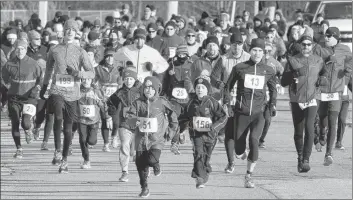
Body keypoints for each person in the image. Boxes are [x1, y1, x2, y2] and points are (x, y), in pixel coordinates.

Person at [40, 19, 95, 173]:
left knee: (68, 128)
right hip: (57, 90)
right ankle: (57, 150)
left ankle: (64, 159)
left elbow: (92, 72)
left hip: (73, 93)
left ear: (76, 33)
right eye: (67, 29)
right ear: (63, 32)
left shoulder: (80, 51)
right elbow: (49, 71)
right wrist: (44, 87)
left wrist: (78, 73)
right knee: (58, 118)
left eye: (73, 29)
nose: (70, 31)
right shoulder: (55, 50)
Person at [224, 38, 277, 187]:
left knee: (254, 141)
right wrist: (227, 104)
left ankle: (249, 176)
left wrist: (272, 105)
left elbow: (273, 90)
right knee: (239, 150)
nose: (258, 53)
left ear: (264, 52)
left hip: (259, 113)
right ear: (250, 51)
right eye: (255, 50)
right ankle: (242, 154)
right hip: (241, 112)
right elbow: (227, 87)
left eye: (261, 51)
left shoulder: (268, 70)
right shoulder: (240, 68)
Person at [281, 34, 327, 173]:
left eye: (308, 44)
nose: (306, 46)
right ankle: (300, 158)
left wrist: (322, 79)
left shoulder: (318, 60)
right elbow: (283, 82)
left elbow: (324, 73)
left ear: (312, 45)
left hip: (313, 98)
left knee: (309, 127)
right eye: (304, 44)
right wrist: (293, 74)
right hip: (296, 99)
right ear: (300, 46)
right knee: (298, 131)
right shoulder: (292, 60)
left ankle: (306, 159)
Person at [126, 76, 178, 198]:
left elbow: (173, 117)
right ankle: (144, 187)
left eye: (151, 87)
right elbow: (129, 117)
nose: (148, 90)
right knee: (140, 164)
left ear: (156, 89)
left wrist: (170, 132)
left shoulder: (162, 102)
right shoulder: (137, 103)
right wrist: (134, 121)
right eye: (146, 87)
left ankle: (156, 165)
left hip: (157, 139)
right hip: (141, 140)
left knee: (151, 159)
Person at [179, 77, 227, 188]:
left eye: (202, 87)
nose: (200, 89)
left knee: (206, 157)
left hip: (210, 135)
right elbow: (183, 118)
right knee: (198, 154)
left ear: (207, 90)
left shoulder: (212, 102)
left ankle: (205, 169)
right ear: (195, 89)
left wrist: (215, 128)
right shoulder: (191, 103)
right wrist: (180, 132)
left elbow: (223, 117)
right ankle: (199, 178)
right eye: (198, 87)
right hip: (196, 135)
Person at [316, 27, 352, 166]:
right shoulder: (319, 49)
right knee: (322, 120)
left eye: (330, 36)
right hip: (322, 92)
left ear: (336, 37)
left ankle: (328, 154)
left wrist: (347, 75)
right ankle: (321, 135)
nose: (327, 38)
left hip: (336, 92)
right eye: (326, 35)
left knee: (333, 122)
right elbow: (313, 64)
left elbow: (350, 64)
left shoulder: (345, 49)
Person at [1, 39, 43, 158]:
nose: (20, 51)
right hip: (14, 97)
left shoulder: (33, 63)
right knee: (15, 122)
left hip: (29, 98)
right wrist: (8, 86)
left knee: (25, 123)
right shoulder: (9, 64)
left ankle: (28, 129)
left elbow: (40, 78)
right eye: (18, 48)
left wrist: (37, 87)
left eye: (23, 49)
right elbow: (3, 78)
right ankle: (19, 148)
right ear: (15, 49)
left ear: (26, 50)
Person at [107, 67, 141, 182]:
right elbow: (111, 103)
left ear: (135, 79)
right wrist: (111, 113)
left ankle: (144, 166)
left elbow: (150, 101)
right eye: (126, 79)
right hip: (124, 122)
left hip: (138, 122)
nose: (129, 81)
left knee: (136, 149)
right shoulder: (119, 93)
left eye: (131, 79)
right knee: (124, 145)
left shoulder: (140, 92)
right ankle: (124, 171)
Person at [162, 44, 194, 155]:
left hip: (188, 99)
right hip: (174, 98)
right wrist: (163, 94)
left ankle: (182, 132)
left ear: (187, 55)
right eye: (179, 54)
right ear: (176, 54)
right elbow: (165, 81)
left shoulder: (191, 65)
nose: (181, 56)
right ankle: (174, 144)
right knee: (174, 119)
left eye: (184, 54)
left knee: (185, 122)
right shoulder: (171, 65)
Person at [78, 77, 112, 169]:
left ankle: (91, 142)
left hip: (94, 120)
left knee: (91, 141)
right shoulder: (77, 91)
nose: (85, 81)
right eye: (83, 79)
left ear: (91, 81)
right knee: (82, 140)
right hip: (81, 120)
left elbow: (103, 105)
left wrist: (107, 116)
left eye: (88, 79)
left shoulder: (96, 91)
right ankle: (86, 160)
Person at [94, 48, 123, 151]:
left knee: (116, 121)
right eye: (108, 57)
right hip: (103, 97)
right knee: (105, 120)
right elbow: (94, 82)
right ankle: (106, 144)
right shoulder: (98, 68)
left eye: (112, 57)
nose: (110, 59)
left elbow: (121, 83)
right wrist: (98, 92)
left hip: (115, 98)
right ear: (105, 58)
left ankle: (114, 137)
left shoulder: (118, 69)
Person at [258, 42, 284, 148]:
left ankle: (261, 139)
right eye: (265, 50)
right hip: (258, 94)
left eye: (269, 50)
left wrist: (279, 83)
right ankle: (253, 138)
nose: (267, 53)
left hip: (270, 94)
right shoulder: (257, 61)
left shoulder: (276, 63)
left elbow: (282, 73)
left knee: (267, 119)